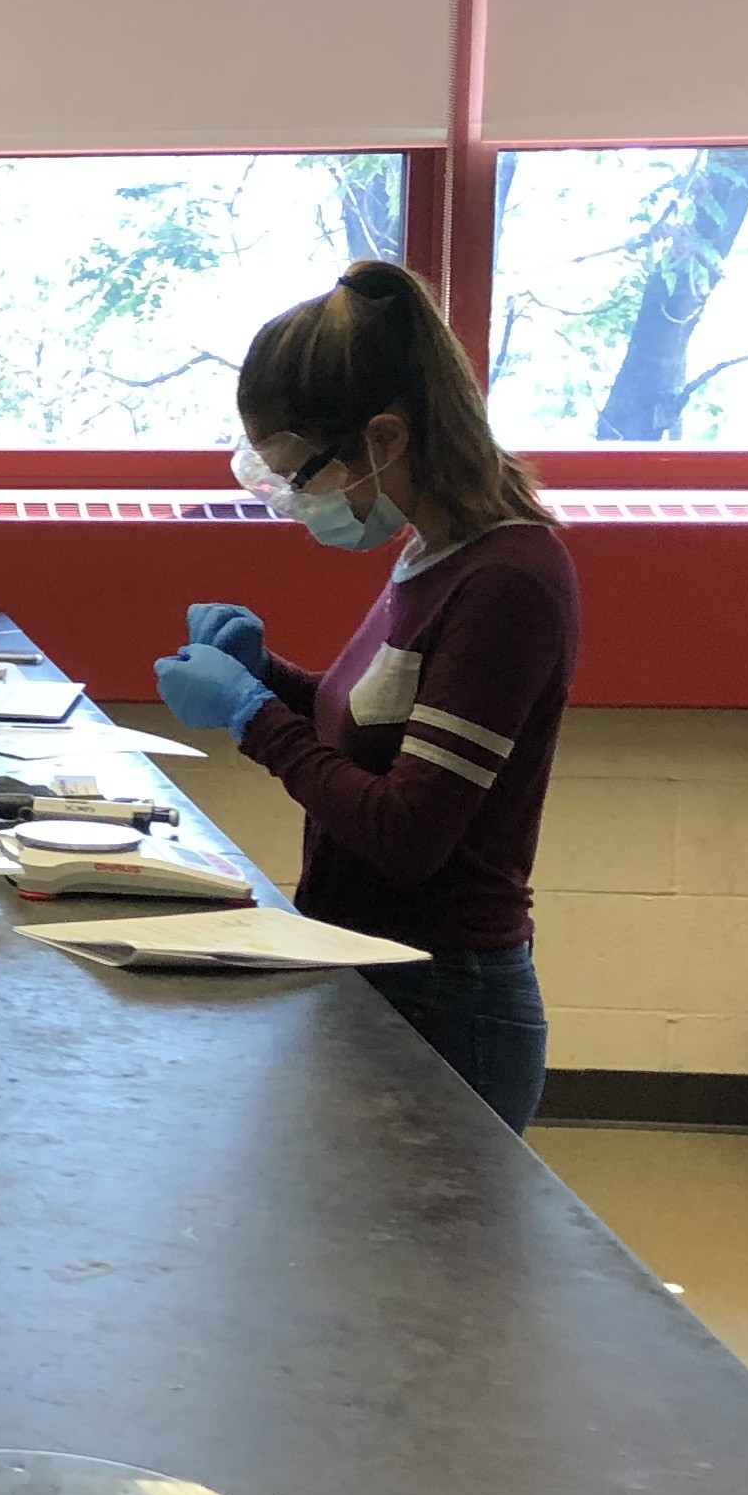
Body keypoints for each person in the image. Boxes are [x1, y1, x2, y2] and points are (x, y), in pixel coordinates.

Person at [155, 260, 580, 1134]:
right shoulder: (432, 551)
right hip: (374, 965)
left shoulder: (508, 581)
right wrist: (268, 672)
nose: (297, 503)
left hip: (446, 996)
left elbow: (407, 832)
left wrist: (252, 715)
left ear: (385, 438)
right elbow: (375, 732)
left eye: (303, 477)